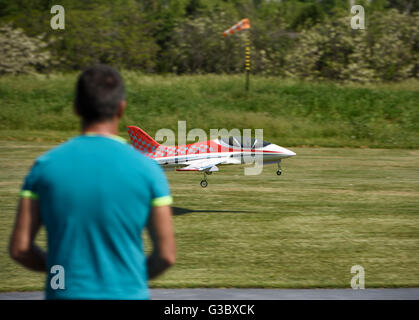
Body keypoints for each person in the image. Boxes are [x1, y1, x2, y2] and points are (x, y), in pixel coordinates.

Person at [9, 65, 175, 299]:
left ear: (76, 108)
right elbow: (167, 255)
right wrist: (127, 276)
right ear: (121, 107)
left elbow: (20, 248)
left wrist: (62, 272)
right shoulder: (148, 169)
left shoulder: (44, 166)